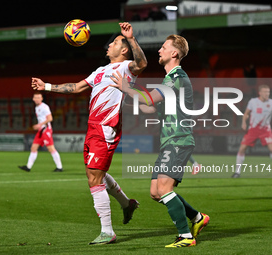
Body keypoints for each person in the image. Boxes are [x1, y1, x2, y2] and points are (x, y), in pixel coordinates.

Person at [31, 22, 147, 245]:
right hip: (93, 126)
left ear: (123, 50)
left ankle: (107, 231)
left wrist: (131, 38)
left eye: (114, 43)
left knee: (94, 179)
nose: (108, 45)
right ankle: (127, 204)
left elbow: (142, 63)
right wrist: (46, 86)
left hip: (106, 127)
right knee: (96, 174)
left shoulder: (126, 68)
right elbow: (75, 87)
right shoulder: (100, 71)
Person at [110, 34, 209, 248]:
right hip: (170, 141)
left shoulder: (177, 77)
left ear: (174, 53)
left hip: (178, 139)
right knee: (156, 192)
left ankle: (186, 237)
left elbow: (149, 98)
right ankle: (197, 218)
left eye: (163, 47)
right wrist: (124, 98)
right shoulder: (169, 80)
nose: (159, 50)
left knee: (164, 189)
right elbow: (150, 107)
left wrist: (126, 87)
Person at [232, 84, 272, 178]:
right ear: (260, 93)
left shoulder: (271, 103)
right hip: (253, 130)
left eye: (268, 92)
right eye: (265, 92)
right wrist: (243, 122)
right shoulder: (253, 102)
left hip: (265, 130)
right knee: (242, 149)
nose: (267, 94)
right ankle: (237, 172)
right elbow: (246, 113)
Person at [18, 92, 63, 172]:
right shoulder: (37, 107)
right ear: (33, 99)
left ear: (42, 99)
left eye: (39, 97)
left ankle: (59, 167)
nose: (37, 99)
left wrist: (40, 124)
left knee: (51, 148)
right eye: (36, 97)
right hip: (41, 130)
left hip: (46, 129)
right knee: (33, 148)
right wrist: (39, 126)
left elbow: (50, 118)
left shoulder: (44, 107)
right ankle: (28, 167)